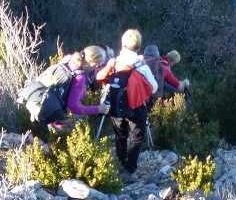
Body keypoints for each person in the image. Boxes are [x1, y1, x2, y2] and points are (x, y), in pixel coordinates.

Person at [96, 29, 158, 181]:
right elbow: (154, 87)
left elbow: (99, 77)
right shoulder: (141, 66)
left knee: (120, 135)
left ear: (122, 44)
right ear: (138, 46)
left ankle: (121, 163)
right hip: (136, 106)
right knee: (136, 137)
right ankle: (130, 170)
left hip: (116, 104)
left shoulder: (114, 63)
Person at [50, 45, 111, 128]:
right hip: (60, 121)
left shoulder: (68, 59)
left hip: (50, 108)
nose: (97, 68)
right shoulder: (79, 77)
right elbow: (74, 107)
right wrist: (99, 109)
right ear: (93, 64)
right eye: (98, 65)